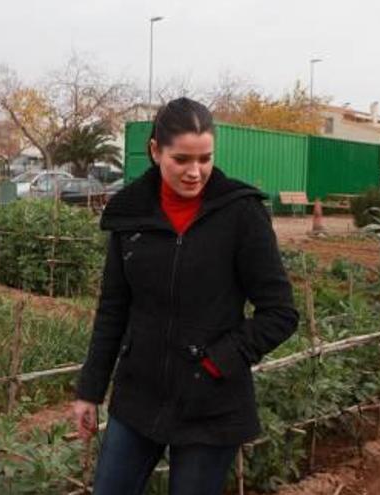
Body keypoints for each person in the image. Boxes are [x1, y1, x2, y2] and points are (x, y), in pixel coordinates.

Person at [73, 97, 299, 495]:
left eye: (205, 159)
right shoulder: (130, 214)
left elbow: (279, 313)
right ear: (156, 151)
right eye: (181, 160)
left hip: (210, 402)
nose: (195, 172)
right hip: (139, 394)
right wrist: (90, 391)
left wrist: (218, 361)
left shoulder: (241, 214)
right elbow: (113, 308)